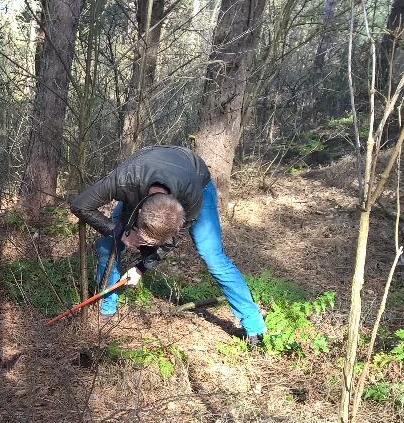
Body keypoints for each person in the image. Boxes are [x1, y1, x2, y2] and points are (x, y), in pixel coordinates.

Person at [70, 145, 267, 343]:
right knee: (108, 244)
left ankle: (254, 325)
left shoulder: (191, 200)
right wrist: (121, 233)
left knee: (212, 255)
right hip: (143, 172)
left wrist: (140, 268)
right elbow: (80, 204)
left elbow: (170, 241)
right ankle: (107, 305)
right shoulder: (124, 180)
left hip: (196, 177)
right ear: (138, 211)